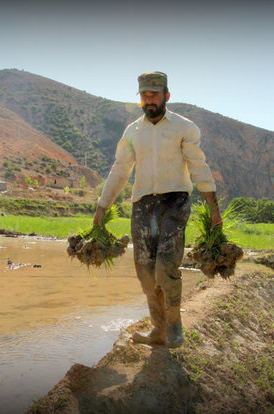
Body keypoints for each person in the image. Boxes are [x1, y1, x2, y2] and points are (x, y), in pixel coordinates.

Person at [93, 71, 222, 348]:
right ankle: (158, 329)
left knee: (165, 265)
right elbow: (120, 171)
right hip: (142, 205)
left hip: (174, 201)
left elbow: (198, 166)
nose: (149, 100)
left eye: (154, 94)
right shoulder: (132, 131)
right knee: (145, 272)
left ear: (166, 96)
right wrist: (101, 208)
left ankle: (174, 325)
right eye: (144, 95)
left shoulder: (184, 128)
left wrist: (214, 208)